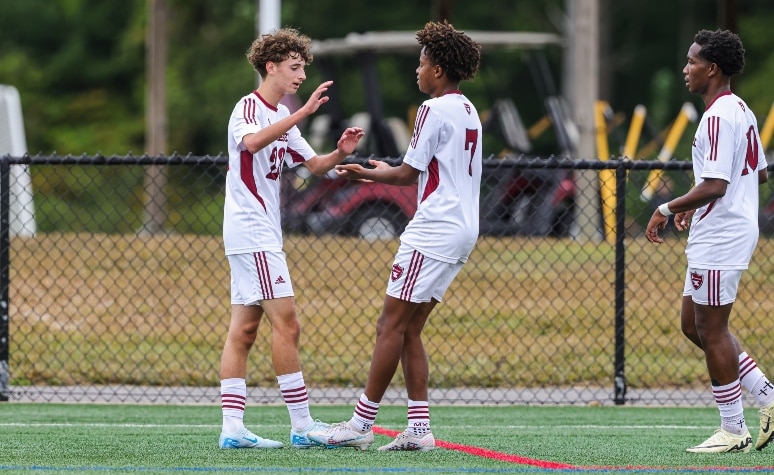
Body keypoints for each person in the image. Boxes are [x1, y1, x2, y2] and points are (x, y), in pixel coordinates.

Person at [307, 20, 482, 451]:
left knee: (390, 324)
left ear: (438, 70)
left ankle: (360, 424)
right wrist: (380, 171)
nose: (417, 71)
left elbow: (407, 174)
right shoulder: (467, 109)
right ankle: (419, 430)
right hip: (463, 228)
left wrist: (368, 174)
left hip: (434, 228)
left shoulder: (431, 109)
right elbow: (418, 171)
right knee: (410, 328)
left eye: (421, 64)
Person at [219, 28, 365, 450]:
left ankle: (232, 429)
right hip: (252, 231)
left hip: (259, 231)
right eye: (294, 67)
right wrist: (301, 113)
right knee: (288, 324)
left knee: (244, 329)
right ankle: (302, 426)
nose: (301, 75)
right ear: (271, 67)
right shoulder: (249, 107)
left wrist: (341, 152)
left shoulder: (283, 114)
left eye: (303, 68)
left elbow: (315, 166)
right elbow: (251, 143)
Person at [645, 29, 773, 454]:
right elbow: (758, 174)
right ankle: (768, 396)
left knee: (711, 329)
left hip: (722, 234)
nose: (686, 69)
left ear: (712, 68)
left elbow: (717, 184)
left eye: (692, 61)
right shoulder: (741, 109)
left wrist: (667, 208)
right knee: (693, 324)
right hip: (722, 228)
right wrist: (693, 202)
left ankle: (734, 429)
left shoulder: (719, 115)